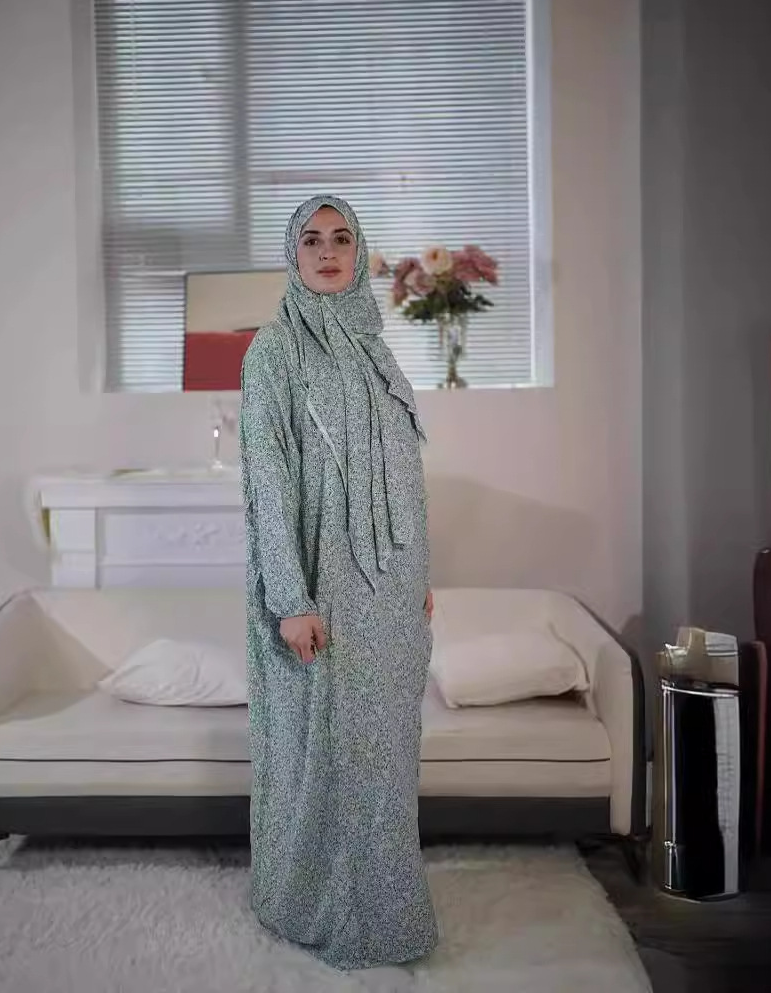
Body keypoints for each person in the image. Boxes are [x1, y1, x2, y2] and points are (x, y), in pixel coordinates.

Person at [238, 194, 439, 970]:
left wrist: (418, 572)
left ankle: (391, 914)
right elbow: (269, 481)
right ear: (292, 255)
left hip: (390, 594)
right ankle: (320, 908)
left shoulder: (374, 347)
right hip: (322, 590)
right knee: (327, 754)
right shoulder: (274, 351)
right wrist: (291, 600)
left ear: (359, 251)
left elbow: (404, 474)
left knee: (387, 759)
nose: (328, 252)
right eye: (312, 240)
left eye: (342, 238)